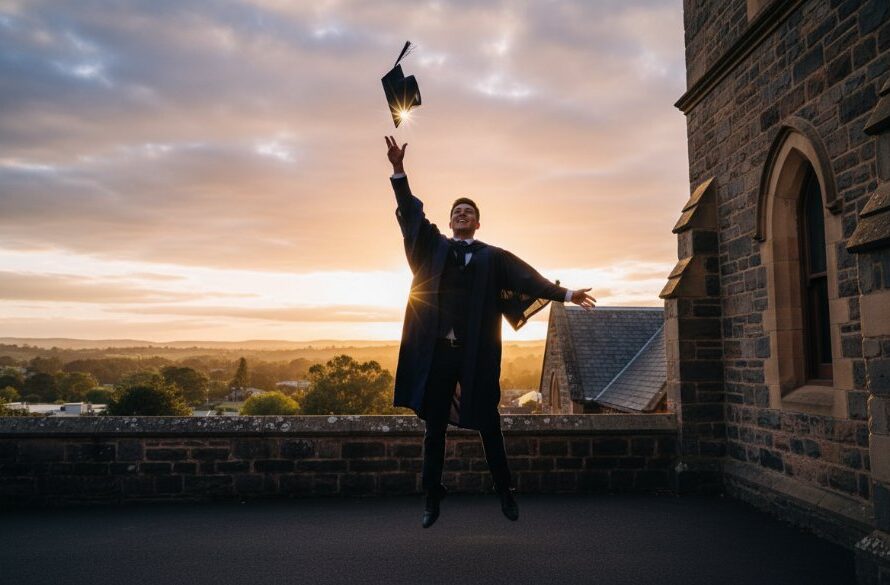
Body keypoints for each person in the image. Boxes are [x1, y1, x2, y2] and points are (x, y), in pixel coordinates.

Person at [384, 136, 596, 528]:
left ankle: (505, 491)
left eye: (469, 211)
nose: (462, 214)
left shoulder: (493, 257)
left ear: (478, 222)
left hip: (475, 354)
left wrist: (566, 293)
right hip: (436, 353)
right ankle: (432, 495)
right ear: (449, 221)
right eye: (456, 211)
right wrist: (399, 171)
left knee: (489, 424)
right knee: (434, 428)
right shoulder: (432, 247)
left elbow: (530, 280)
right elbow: (410, 212)